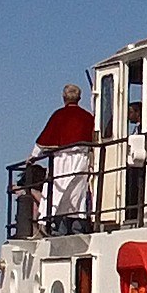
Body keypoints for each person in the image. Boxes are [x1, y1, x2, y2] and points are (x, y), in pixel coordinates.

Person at [35, 84, 97, 232]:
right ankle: (77, 227)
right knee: (77, 194)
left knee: (57, 192)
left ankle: (58, 228)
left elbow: (45, 138)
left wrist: (32, 157)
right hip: (81, 159)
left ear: (63, 97)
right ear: (79, 98)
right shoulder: (88, 117)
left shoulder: (59, 115)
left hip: (62, 159)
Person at [123, 100, 147, 226]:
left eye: (130, 112)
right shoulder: (136, 128)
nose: (128, 115)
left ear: (138, 113)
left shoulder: (142, 129)